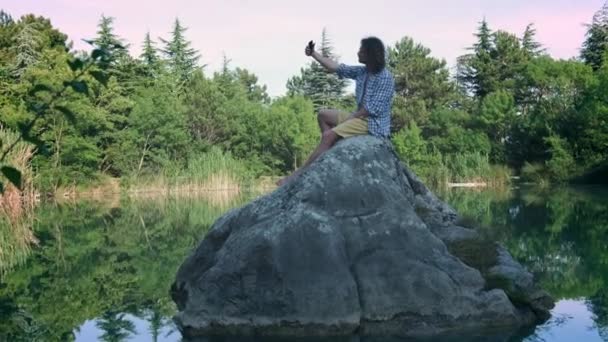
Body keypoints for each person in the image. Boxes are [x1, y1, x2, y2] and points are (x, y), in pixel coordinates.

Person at [277, 36, 395, 186]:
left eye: (361, 50)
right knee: (323, 115)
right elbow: (336, 68)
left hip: (372, 124)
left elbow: (370, 110)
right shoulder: (363, 72)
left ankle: (298, 175)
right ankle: (328, 152)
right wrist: (314, 54)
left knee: (328, 135)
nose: (358, 52)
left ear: (370, 54)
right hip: (359, 118)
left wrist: (349, 120)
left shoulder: (385, 78)